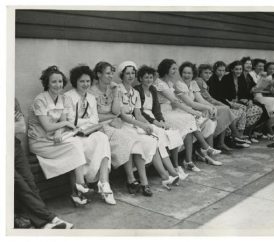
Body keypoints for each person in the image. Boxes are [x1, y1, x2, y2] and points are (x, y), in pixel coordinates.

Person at [90, 61, 177, 193]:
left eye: (133, 73)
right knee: (134, 141)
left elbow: (121, 112)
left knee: (149, 140)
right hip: (114, 124)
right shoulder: (105, 90)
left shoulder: (126, 91)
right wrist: (139, 123)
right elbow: (117, 115)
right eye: (127, 73)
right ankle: (138, 180)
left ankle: (151, 179)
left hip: (122, 122)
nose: (131, 76)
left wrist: (147, 125)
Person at [28, 65, 91, 207]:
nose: (58, 85)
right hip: (40, 141)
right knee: (75, 146)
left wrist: (59, 130)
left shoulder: (62, 98)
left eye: (60, 81)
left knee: (76, 144)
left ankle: (78, 191)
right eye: (54, 82)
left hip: (54, 138)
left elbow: (61, 122)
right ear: (47, 84)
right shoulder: (40, 100)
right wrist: (65, 124)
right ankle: (80, 185)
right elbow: (47, 126)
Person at [153, 59, 222, 171]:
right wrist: (193, 111)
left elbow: (196, 100)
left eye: (176, 68)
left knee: (193, 124)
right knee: (190, 118)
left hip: (172, 111)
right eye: (173, 69)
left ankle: (190, 160)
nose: (176, 71)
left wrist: (208, 107)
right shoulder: (160, 83)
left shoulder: (170, 83)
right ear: (166, 70)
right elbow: (176, 101)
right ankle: (206, 148)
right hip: (163, 113)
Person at [15, 98, 73, 229]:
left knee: (29, 181)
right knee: (19, 183)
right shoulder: (40, 100)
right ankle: (49, 219)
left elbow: (21, 127)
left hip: (14, 147)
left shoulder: (11, 99)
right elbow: (16, 126)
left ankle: (43, 221)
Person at [64, 65, 115, 205]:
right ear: (75, 82)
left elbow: (96, 119)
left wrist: (85, 122)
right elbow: (70, 120)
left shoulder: (91, 98)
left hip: (88, 132)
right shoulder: (68, 97)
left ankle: (104, 183)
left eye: (87, 81)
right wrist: (87, 121)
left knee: (103, 138)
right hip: (73, 135)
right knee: (78, 147)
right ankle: (81, 189)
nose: (85, 84)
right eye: (82, 81)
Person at [134, 65, 188, 181]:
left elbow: (156, 109)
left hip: (154, 119)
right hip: (144, 120)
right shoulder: (137, 90)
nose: (149, 80)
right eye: (146, 77)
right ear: (140, 78)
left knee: (173, 133)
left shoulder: (153, 89)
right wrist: (155, 122)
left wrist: (161, 121)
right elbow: (140, 112)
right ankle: (171, 171)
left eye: (151, 77)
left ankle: (175, 165)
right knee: (160, 138)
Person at [176, 62, 222, 166]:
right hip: (181, 111)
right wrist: (208, 108)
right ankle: (205, 150)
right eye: (184, 73)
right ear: (181, 73)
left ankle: (207, 153)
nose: (187, 75)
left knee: (210, 122)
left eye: (189, 73)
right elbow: (190, 103)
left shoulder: (193, 83)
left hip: (192, 111)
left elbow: (200, 100)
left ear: (193, 74)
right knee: (199, 121)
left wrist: (212, 107)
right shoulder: (178, 84)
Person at [196, 64, 240, 151]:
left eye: (209, 73)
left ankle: (224, 141)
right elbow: (209, 99)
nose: (208, 75)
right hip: (200, 107)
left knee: (225, 111)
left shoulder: (202, 81)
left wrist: (221, 104)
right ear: (200, 73)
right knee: (225, 110)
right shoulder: (199, 81)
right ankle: (233, 135)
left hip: (205, 105)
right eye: (205, 73)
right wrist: (221, 104)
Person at [208, 61, 250, 147]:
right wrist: (229, 105)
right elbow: (214, 98)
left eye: (223, 70)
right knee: (229, 113)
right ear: (215, 71)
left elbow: (224, 98)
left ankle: (238, 137)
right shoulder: (212, 80)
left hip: (223, 104)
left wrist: (232, 104)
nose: (222, 72)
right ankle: (235, 136)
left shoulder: (221, 80)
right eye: (219, 70)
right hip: (215, 106)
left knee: (242, 111)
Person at [221, 61, 264, 141]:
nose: (239, 71)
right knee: (243, 109)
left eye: (240, 69)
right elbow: (223, 94)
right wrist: (234, 100)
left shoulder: (241, 78)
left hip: (240, 101)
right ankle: (238, 134)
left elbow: (247, 92)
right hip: (229, 102)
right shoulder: (226, 78)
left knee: (258, 109)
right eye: (236, 69)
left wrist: (249, 100)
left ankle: (246, 133)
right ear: (232, 70)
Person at [250, 59, 274, 141]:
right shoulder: (264, 76)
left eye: (273, 69)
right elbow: (270, 90)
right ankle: (271, 131)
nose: (272, 70)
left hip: (262, 95)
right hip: (257, 96)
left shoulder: (268, 77)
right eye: (270, 69)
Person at [240, 57, 269, 141]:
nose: (249, 65)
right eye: (246, 63)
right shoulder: (241, 75)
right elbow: (244, 91)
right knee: (260, 109)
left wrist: (250, 98)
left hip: (249, 99)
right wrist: (249, 99)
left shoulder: (248, 76)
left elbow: (253, 88)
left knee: (265, 110)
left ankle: (250, 133)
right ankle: (248, 134)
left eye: (250, 64)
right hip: (242, 100)